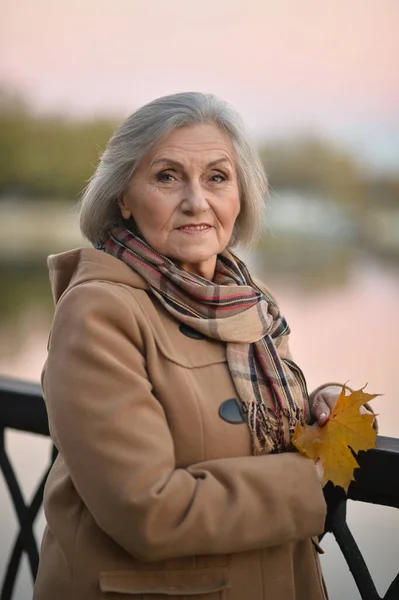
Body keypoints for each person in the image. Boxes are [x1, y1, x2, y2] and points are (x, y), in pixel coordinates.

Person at [34, 92, 347, 600]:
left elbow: (255, 422)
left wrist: (323, 406)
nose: (196, 201)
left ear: (240, 195)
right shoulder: (97, 312)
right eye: (167, 176)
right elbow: (147, 512)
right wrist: (303, 479)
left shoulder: (247, 302)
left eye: (217, 177)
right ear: (124, 198)